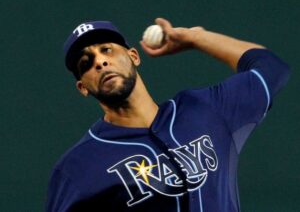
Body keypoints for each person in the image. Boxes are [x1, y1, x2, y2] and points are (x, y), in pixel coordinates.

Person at [46, 17, 290, 212]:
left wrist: (196, 37)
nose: (100, 62)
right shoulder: (77, 168)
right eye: (86, 63)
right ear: (83, 87)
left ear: (133, 56)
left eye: (107, 50)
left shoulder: (205, 109)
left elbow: (270, 68)